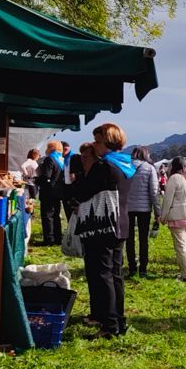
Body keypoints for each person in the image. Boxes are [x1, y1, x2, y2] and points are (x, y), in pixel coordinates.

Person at [62, 122, 135, 339]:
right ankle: (118, 320)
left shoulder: (103, 167)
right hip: (120, 224)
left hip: (102, 226)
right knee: (115, 274)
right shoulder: (124, 164)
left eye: (97, 141)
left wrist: (77, 177)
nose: (94, 145)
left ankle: (109, 324)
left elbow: (82, 192)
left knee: (103, 275)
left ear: (107, 142)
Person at [121, 145, 161, 279]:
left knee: (129, 239)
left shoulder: (125, 166)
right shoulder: (149, 168)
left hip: (127, 208)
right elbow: (154, 192)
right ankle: (143, 268)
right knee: (144, 239)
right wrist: (157, 211)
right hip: (144, 209)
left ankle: (132, 267)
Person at [36, 140, 67, 246]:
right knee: (56, 215)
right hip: (58, 192)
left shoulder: (50, 159)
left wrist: (36, 180)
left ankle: (49, 239)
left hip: (48, 192)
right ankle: (58, 238)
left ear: (51, 148)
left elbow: (46, 176)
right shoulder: (61, 159)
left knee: (47, 216)